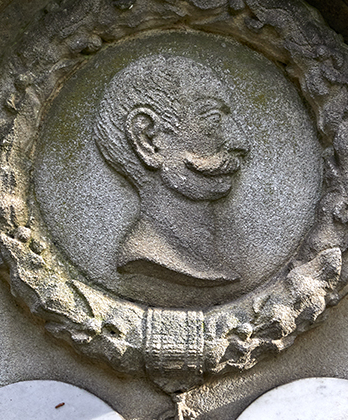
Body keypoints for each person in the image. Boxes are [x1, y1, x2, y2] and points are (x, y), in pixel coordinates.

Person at [93, 52, 249, 286]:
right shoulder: (146, 256)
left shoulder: (211, 260)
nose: (240, 143)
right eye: (213, 119)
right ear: (147, 140)